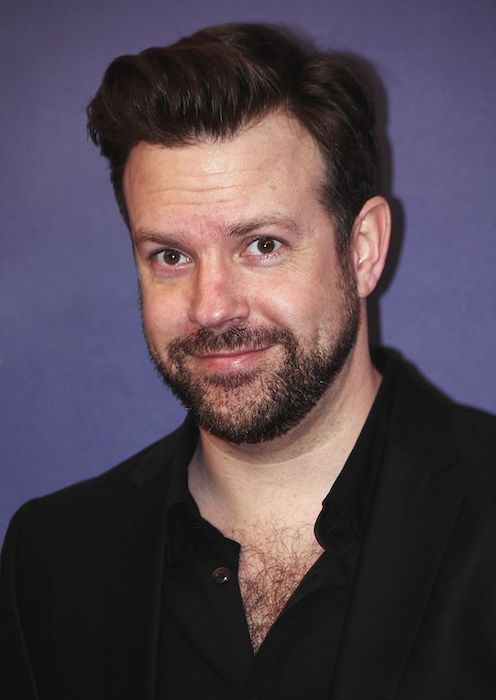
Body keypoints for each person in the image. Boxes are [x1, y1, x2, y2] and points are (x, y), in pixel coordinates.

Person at [1, 22, 495, 700]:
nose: (211, 309)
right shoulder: (51, 558)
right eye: (170, 256)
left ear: (363, 250)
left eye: (261, 245)